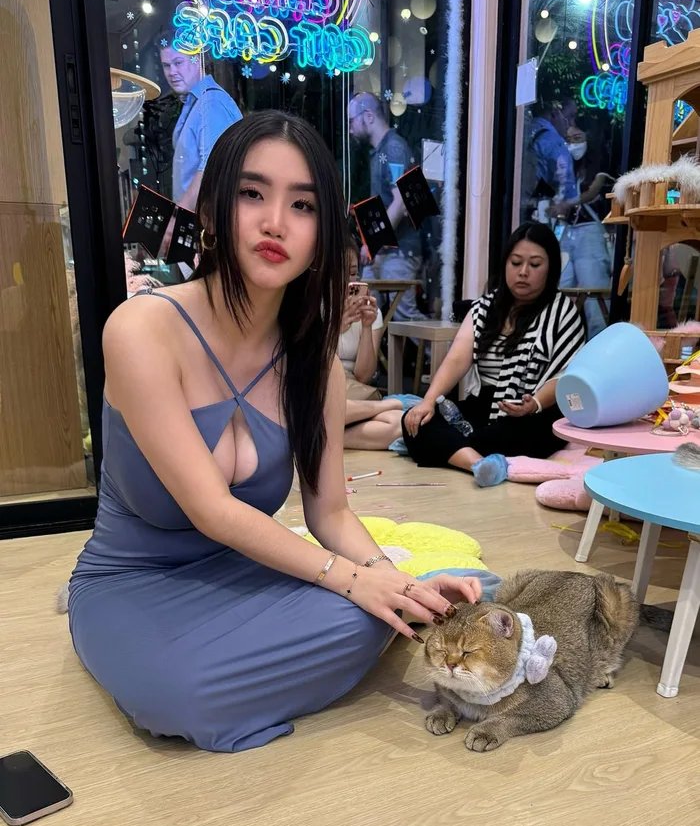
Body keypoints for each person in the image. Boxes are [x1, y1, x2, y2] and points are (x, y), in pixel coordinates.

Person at [67, 110, 482, 753]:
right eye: (252, 194)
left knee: (377, 613)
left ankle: (392, 607)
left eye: (303, 205)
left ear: (321, 233)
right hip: (131, 583)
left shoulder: (315, 365)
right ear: (212, 212)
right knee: (179, 691)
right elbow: (210, 510)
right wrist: (352, 581)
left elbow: (330, 513)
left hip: (248, 568)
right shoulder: (141, 330)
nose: (276, 223)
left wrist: (390, 581)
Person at [403, 222, 585, 487]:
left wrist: (533, 403)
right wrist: (428, 401)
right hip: (486, 404)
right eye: (516, 263)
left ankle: (459, 451)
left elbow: (565, 375)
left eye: (535, 265)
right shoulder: (484, 307)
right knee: (415, 421)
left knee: (510, 433)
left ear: (551, 269)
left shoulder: (562, 311)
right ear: (505, 264)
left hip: (534, 412)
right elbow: (456, 359)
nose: (523, 272)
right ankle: (480, 464)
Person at [160, 41, 243, 276]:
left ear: (198, 60)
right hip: (197, 228)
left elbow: (210, 168)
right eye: (166, 65)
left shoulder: (211, 103)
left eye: (178, 62)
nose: (172, 72)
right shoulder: (197, 102)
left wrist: (177, 218)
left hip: (209, 231)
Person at [347, 92, 424, 322]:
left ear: (368, 116)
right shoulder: (381, 151)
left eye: (351, 121)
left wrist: (373, 241)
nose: (350, 129)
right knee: (366, 311)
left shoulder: (394, 149)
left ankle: (441, 344)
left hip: (399, 250)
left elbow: (400, 202)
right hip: (385, 251)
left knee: (403, 315)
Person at [340, 239, 404, 449]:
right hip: (320, 388)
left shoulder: (368, 311)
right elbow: (309, 367)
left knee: (398, 423)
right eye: (339, 272)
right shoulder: (311, 306)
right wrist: (335, 329)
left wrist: (367, 326)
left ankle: (324, 438)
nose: (348, 281)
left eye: (352, 273)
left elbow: (364, 376)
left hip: (353, 393)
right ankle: (387, 404)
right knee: (325, 406)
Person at [557, 123, 613, 338]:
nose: (572, 144)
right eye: (568, 139)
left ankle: (598, 348)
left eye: (577, 138)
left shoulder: (600, 165)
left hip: (590, 232)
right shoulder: (569, 167)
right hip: (569, 231)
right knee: (561, 292)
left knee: (594, 299)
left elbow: (592, 192)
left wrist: (567, 203)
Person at [528, 101, 578, 210]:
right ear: (555, 113)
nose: (572, 124)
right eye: (570, 116)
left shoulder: (526, 126)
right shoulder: (557, 144)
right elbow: (569, 195)